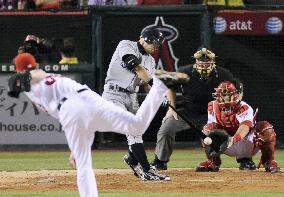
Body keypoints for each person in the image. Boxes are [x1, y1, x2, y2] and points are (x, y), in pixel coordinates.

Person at [9, 52, 169, 197]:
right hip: (90, 99)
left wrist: (27, 74)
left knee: (84, 165)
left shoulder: (32, 79)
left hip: (71, 108)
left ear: (20, 70)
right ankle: (160, 86)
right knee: (136, 126)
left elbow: (36, 75)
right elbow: (39, 75)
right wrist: (75, 147)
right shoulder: (42, 79)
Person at [150, 47, 256, 171]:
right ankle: (160, 161)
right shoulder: (185, 72)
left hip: (213, 114)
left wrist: (236, 103)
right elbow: (170, 87)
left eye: (207, 60)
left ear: (213, 61)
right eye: (201, 60)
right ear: (196, 61)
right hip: (188, 112)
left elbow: (238, 86)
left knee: (230, 126)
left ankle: (243, 159)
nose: (204, 63)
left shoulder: (223, 74)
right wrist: (171, 109)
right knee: (166, 129)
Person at [100, 27, 170, 181]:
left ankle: (132, 160)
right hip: (113, 94)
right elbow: (137, 68)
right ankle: (147, 170)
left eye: (157, 45)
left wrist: (158, 94)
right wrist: (155, 86)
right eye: (154, 43)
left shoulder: (151, 60)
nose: (155, 47)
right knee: (132, 128)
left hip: (132, 97)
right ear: (144, 38)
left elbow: (145, 83)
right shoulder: (126, 45)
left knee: (136, 130)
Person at [195, 81, 280, 173]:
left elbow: (245, 127)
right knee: (207, 130)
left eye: (226, 94)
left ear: (234, 95)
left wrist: (234, 139)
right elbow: (213, 127)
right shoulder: (212, 107)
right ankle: (213, 162)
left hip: (248, 143)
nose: (224, 97)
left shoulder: (244, 107)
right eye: (221, 94)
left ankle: (268, 161)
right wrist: (208, 137)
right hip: (226, 145)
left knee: (265, 127)